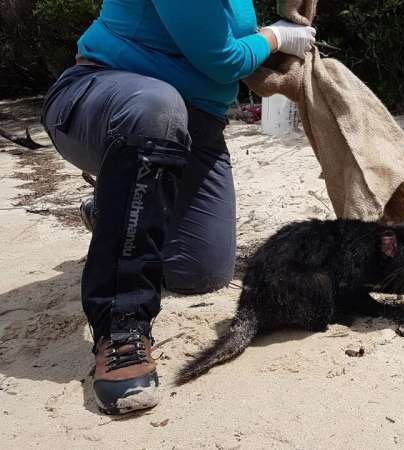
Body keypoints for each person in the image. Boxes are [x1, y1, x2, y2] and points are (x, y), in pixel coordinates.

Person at [40, 0, 316, 416]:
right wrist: (276, 36)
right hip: (107, 99)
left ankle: (114, 205)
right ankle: (121, 327)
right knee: (156, 107)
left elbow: (220, 42)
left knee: (200, 272)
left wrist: (267, 35)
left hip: (196, 126)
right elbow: (223, 61)